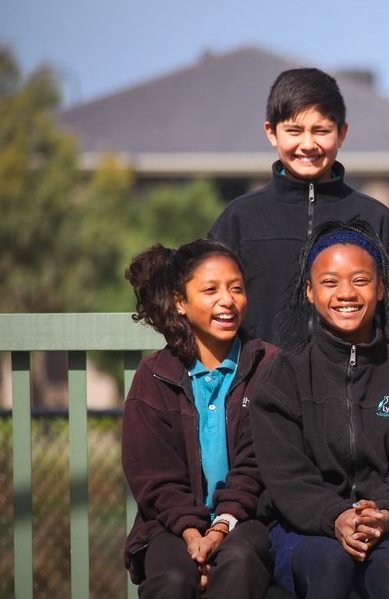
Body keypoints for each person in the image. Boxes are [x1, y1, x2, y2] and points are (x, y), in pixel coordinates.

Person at [250, 220, 389, 599]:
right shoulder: (284, 375)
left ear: (381, 288)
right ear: (310, 291)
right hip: (303, 527)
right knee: (330, 563)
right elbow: (286, 475)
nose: (346, 293)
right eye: (330, 282)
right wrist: (335, 515)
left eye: (360, 280)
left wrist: (386, 512)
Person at [209, 67, 389, 344]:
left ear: (341, 133)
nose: (307, 144)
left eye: (321, 130)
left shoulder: (376, 219)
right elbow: (208, 307)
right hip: (259, 372)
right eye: (294, 131)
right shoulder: (238, 219)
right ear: (271, 132)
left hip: (357, 373)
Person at [121, 239, 276, 599]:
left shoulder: (269, 367)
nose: (227, 300)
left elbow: (259, 464)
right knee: (174, 578)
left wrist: (220, 529)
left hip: (249, 521)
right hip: (169, 526)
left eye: (236, 288)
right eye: (210, 290)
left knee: (239, 560)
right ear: (180, 301)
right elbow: (154, 477)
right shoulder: (153, 375)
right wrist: (193, 536)